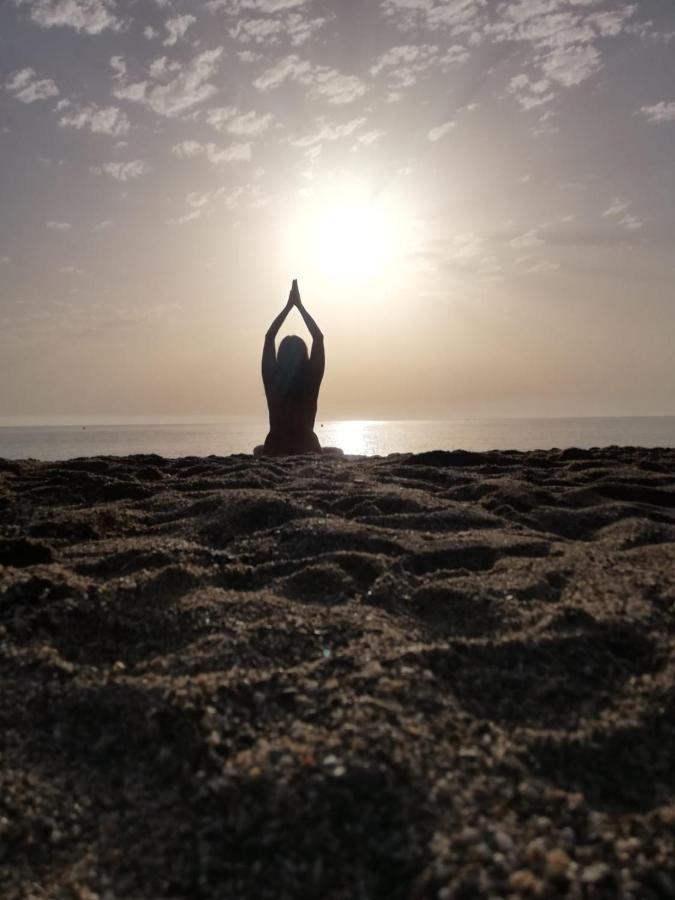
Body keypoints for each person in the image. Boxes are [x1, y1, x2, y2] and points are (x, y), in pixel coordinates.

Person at [254, 279, 329, 457]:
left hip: (275, 445)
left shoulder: (272, 378)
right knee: (337, 452)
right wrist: (299, 306)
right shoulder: (311, 378)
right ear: (304, 355)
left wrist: (289, 306)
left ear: (281, 355)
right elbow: (318, 337)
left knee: (258, 450)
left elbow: (269, 337)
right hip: (307, 445)